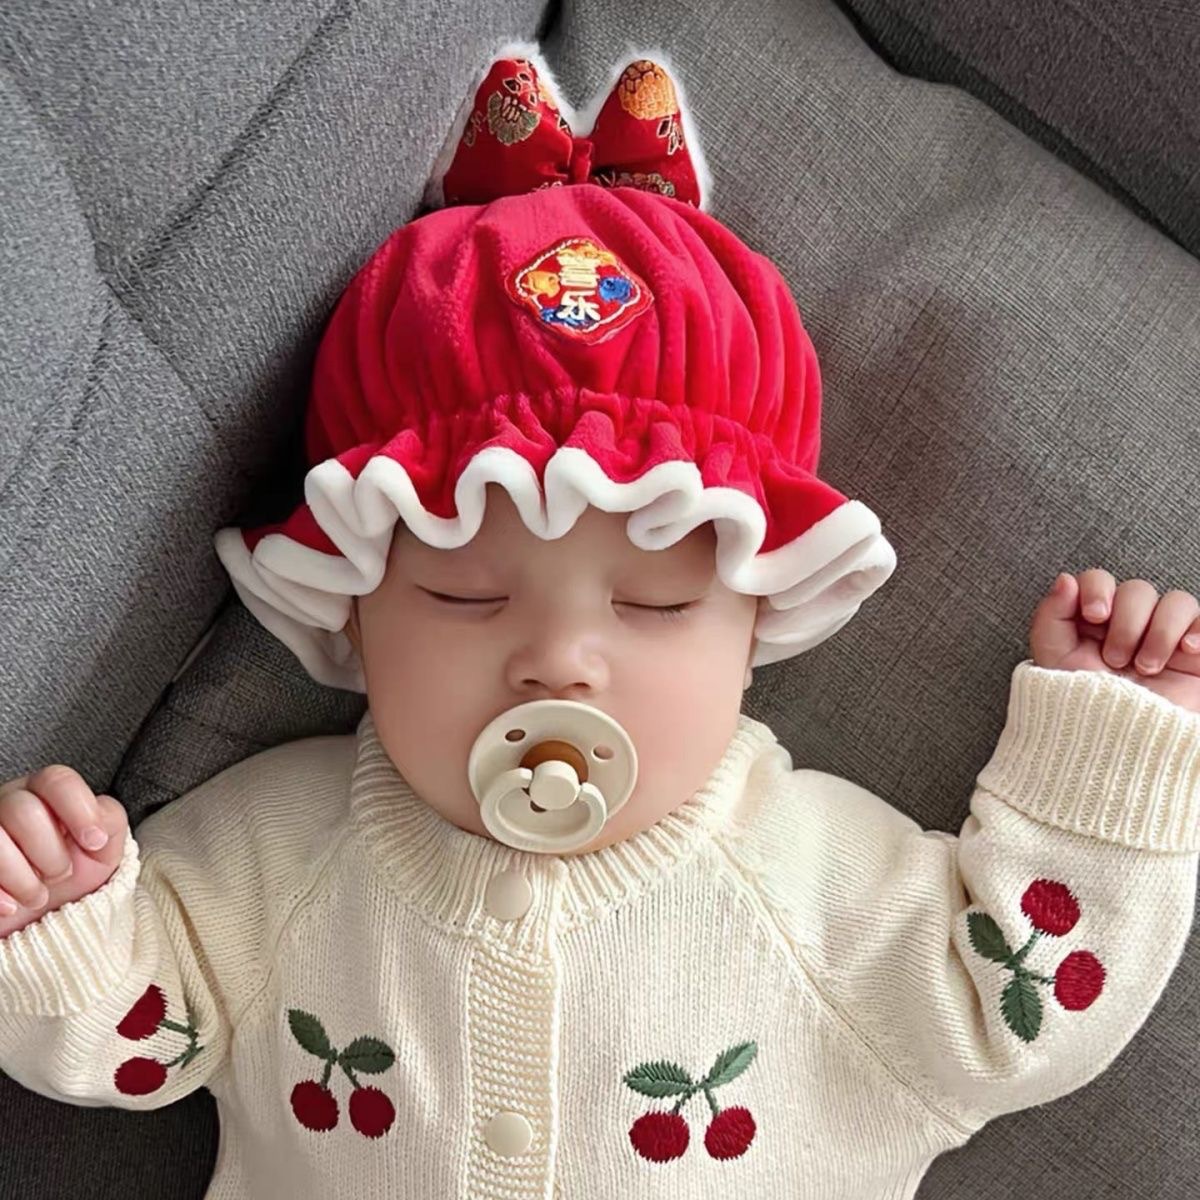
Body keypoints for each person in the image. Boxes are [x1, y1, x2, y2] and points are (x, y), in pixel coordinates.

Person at [1, 42, 1198, 1200]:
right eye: (467, 596)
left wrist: (1110, 743)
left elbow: (1012, 1010)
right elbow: (139, 1036)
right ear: (350, 617)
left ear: (757, 627)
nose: (559, 661)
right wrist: (56, 923)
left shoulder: (814, 884)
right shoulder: (271, 853)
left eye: (657, 604)